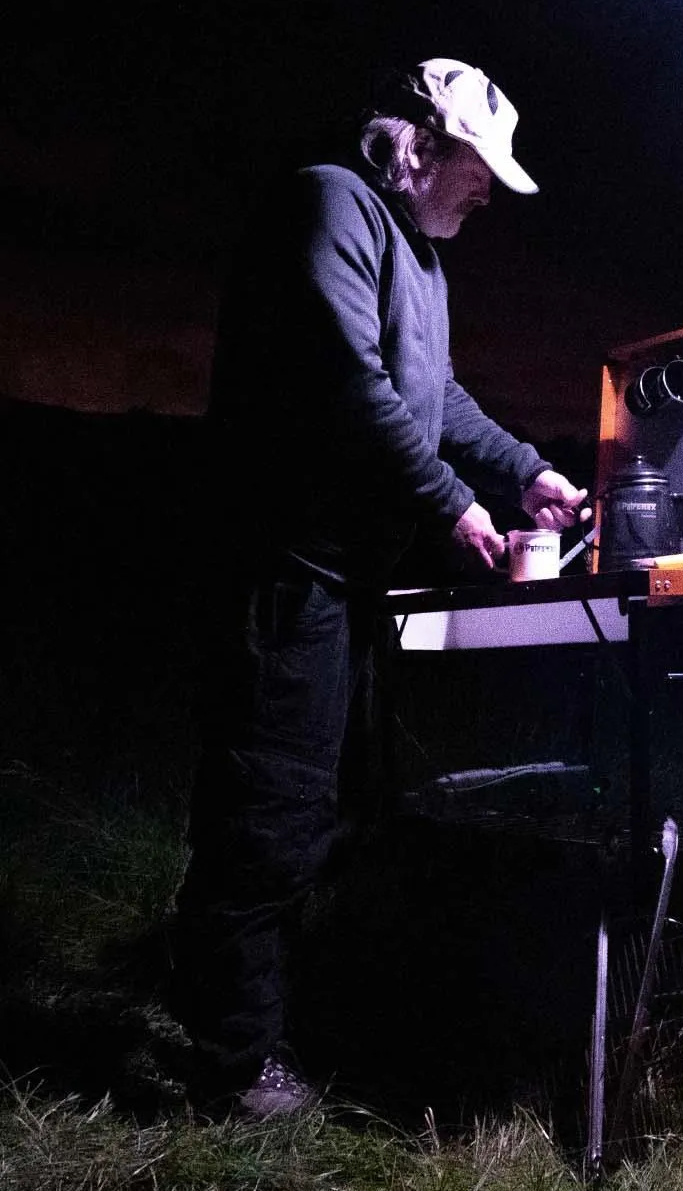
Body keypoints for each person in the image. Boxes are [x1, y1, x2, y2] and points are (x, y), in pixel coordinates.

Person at [170, 57, 589, 1118]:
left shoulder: (423, 261)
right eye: (478, 166)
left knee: (338, 808)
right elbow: (344, 384)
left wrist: (526, 471)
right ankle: (229, 1065)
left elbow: (434, 395)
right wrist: (455, 505)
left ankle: (270, 1014)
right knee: (265, 811)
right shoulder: (332, 206)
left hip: (350, 581)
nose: (489, 190)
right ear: (420, 145)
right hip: (285, 571)